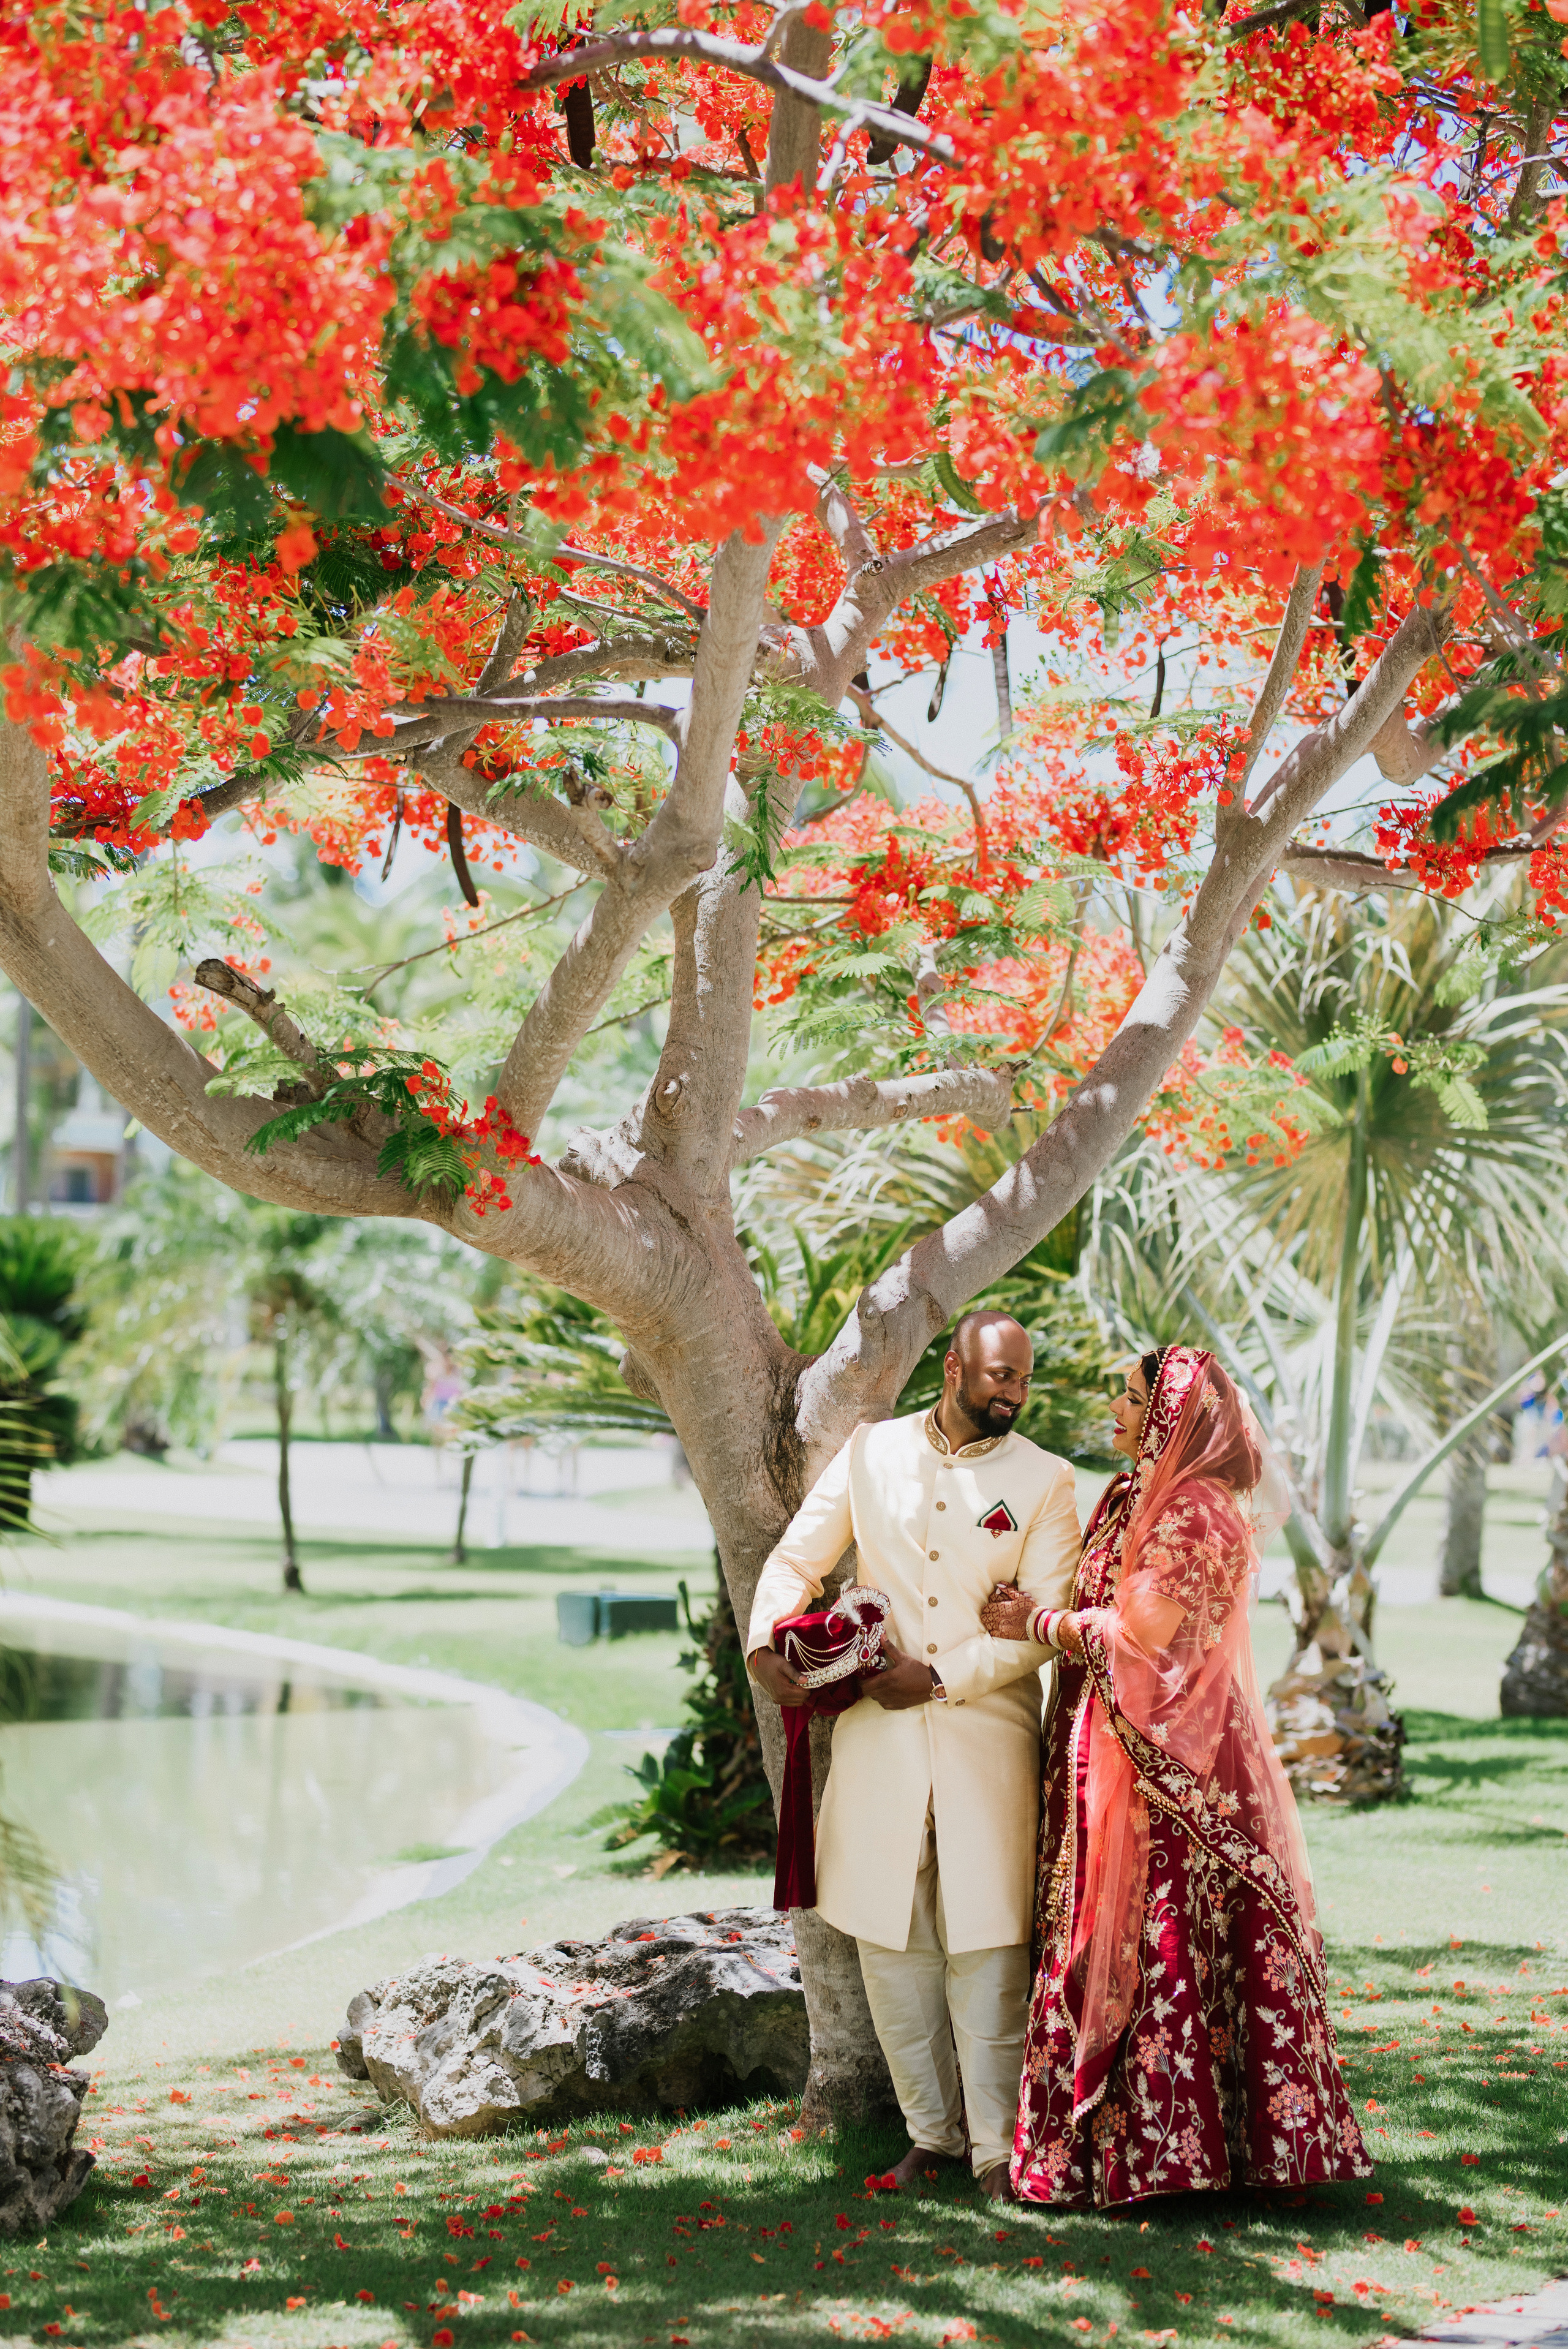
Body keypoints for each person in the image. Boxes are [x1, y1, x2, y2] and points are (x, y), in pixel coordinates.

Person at [981, 1344, 1372, 2208]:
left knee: (1154, 1936)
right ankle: (1142, 2151)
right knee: (1116, 1930)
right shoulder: (1135, 1499)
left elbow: (1145, 1636)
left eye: (1131, 1397)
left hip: (1171, 1768)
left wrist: (1037, 1622)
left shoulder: (1191, 1512)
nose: (1114, 1409)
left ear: (1172, 1417)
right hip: (1116, 1741)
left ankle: (1167, 2158)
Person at [747, 1310, 1082, 2200]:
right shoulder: (871, 1453)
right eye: (998, 1377)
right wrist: (765, 1648)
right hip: (878, 1750)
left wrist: (937, 1677)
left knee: (988, 1952)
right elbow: (794, 1562)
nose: (1013, 1394)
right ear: (952, 1369)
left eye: (1022, 1379)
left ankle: (998, 2156)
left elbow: (1044, 1628)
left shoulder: (1046, 1482)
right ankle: (929, 2143)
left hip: (989, 1747)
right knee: (891, 1950)